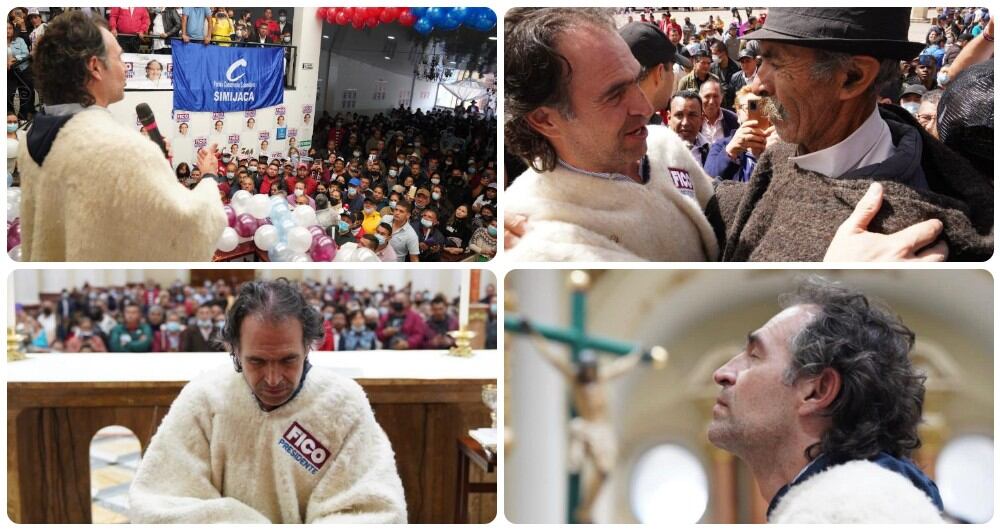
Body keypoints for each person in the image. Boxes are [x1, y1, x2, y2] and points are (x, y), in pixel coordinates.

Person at [708, 7, 991, 261]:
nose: (758, 85)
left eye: (777, 63)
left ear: (853, 77)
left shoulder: (922, 237)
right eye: (760, 60)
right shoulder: (781, 157)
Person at [129, 280, 407, 523]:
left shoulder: (343, 405)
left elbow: (375, 510)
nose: (273, 379)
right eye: (257, 361)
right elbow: (158, 503)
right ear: (234, 349)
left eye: (288, 360)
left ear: (308, 346)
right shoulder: (204, 400)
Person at [708, 277, 944, 523]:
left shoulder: (851, 511)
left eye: (754, 356)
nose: (722, 373)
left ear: (817, 391)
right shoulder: (853, 504)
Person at [504, 8, 718, 261]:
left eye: (637, 79)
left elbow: (718, 210)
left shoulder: (664, 143)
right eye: (615, 95)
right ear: (545, 120)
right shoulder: (540, 237)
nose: (644, 107)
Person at [19, 11, 225, 261]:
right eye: (119, 57)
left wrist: (152, 164)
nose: (125, 67)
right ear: (95, 67)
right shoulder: (122, 149)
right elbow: (190, 230)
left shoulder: (29, 140)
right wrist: (209, 176)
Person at [705, 86, 774, 182]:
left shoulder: (780, 143)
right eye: (749, 107)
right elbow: (708, 181)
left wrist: (780, 152)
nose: (756, 112)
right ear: (737, 114)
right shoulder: (721, 146)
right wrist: (729, 152)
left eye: (762, 107)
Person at [667, 91, 710, 166]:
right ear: (669, 118)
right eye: (679, 115)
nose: (685, 123)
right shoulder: (653, 149)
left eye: (692, 115)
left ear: (702, 119)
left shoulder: (711, 152)